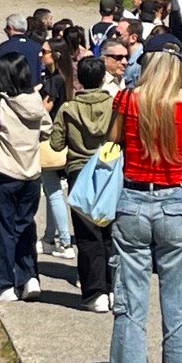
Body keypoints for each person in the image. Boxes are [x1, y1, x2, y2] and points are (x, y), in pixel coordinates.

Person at [106, 38, 182, 363]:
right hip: (173, 199)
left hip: (132, 198)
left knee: (129, 305)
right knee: (180, 308)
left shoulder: (128, 99)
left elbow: (112, 141)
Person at [0, 53, 52, 302]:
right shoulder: (35, 99)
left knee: (2, 231)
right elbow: (47, 128)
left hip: (5, 174)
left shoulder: (0, 103)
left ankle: (3, 285)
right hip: (31, 175)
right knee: (25, 226)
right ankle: (28, 278)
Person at [49, 55, 116, 308]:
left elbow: (56, 143)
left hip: (79, 170)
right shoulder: (114, 105)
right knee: (110, 231)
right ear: (102, 77)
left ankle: (95, 292)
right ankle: (114, 287)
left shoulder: (69, 108)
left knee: (88, 235)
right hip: (109, 169)